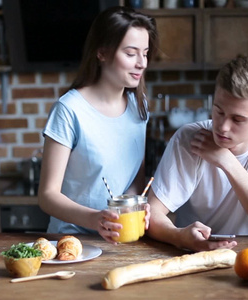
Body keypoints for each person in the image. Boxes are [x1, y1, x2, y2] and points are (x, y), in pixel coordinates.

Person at [147, 56, 248, 252]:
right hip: (192, 254)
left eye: (237, 119)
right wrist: (180, 237)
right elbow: (151, 212)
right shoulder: (188, 138)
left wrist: (226, 161)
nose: (223, 127)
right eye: (218, 111)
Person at [37, 6, 158, 244]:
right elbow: (47, 195)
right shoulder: (69, 110)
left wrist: (134, 210)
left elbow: (134, 180)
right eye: (131, 53)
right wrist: (96, 219)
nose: (142, 63)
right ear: (102, 53)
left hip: (120, 240)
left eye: (145, 53)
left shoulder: (139, 105)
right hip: (72, 241)